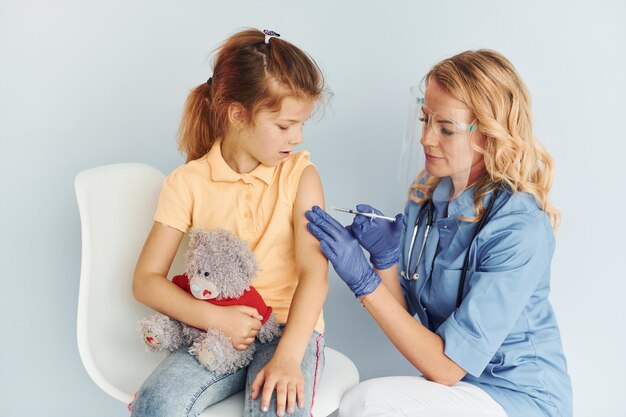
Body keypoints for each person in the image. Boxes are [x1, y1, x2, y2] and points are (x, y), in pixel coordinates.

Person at [306, 49, 572, 417]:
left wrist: (364, 282)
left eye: (445, 128)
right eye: (424, 119)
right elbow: (405, 320)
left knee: (366, 404)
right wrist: (385, 261)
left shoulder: (518, 227)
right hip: (458, 390)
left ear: (490, 134)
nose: (426, 139)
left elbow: (446, 366)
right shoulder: (428, 197)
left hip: (518, 400)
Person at [131, 28, 328, 417]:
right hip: (215, 334)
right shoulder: (187, 182)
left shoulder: (301, 176)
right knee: (155, 404)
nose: (298, 137)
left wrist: (288, 357)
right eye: (285, 126)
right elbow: (145, 280)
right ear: (238, 114)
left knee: (276, 407)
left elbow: (315, 274)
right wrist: (215, 317)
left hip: (286, 330)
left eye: (301, 124)